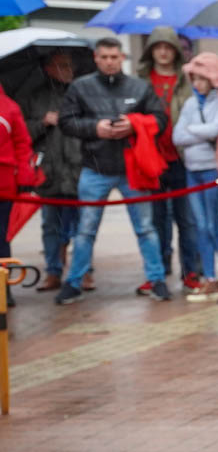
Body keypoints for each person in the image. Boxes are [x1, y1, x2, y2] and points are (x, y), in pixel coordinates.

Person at [55, 38, 171, 305]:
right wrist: (95, 128)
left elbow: (161, 119)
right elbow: (66, 121)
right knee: (85, 230)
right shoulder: (80, 86)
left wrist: (134, 124)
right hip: (94, 167)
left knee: (145, 228)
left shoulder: (139, 86)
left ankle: (157, 279)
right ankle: (74, 282)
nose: (109, 62)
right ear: (96, 58)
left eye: (114, 57)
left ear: (122, 58)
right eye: (105, 57)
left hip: (133, 168)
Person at [137, 26, 199, 291]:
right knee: (156, 220)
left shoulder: (188, 80)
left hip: (182, 158)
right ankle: (158, 273)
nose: (163, 52)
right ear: (151, 51)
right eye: (158, 47)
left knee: (187, 220)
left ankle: (191, 272)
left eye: (168, 47)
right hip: (152, 159)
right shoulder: (140, 80)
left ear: (176, 51)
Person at [173, 53, 218, 296]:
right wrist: (199, 131)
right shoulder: (190, 104)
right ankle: (209, 276)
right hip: (193, 171)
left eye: (202, 78)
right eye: (195, 79)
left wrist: (192, 130)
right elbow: (177, 136)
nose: (198, 83)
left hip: (213, 170)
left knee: (214, 225)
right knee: (200, 226)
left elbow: (217, 129)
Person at [20, 50, 85, 292]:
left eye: (70, 65)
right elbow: (22, 134)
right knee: (50, 225)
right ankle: (53, 271)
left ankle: (84, 270)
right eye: (62, 65)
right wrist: (42, 122)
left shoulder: (81, 93)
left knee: (82, 225)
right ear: (48, 68)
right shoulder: (33, 97)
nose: (68, 70)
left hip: (78, 168)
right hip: (49, 171)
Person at [0, 83, 42, 306]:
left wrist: (25, 178)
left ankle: (3, 289)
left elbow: (22, 144)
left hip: (4, 185)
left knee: (1, 239)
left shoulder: (9, 106)